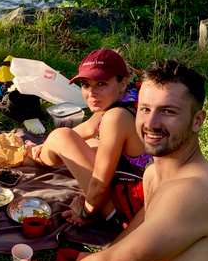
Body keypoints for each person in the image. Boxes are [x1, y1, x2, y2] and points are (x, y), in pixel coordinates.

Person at [9, 59, 208, 261]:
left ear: (197, 121)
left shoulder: (196, 191)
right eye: (145, 109)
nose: (151, 123)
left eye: (168, 112)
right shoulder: (156, 175)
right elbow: (128, 252)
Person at [24, 49, 151, 226]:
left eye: (101, 84)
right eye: (85, 84)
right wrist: (46, 143)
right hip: (143, 191)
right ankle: (41, 153)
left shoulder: (116, 118)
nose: (91, 93)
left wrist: (85, 213)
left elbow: (99, 185)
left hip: (130, 212)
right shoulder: (129, 98)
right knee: (84, 142)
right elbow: (90, 128)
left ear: (122, 82)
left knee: (62, 136)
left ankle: (36, 158)